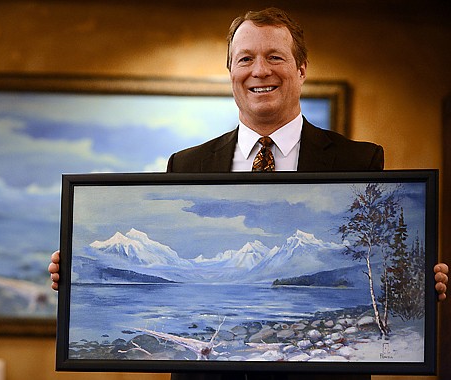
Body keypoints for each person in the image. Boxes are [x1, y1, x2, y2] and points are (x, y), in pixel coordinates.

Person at [49, 7, 448, 380]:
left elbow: (376, 262)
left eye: (275, 57)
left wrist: (415, 282)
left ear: (302, 69)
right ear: (230, 72)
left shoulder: (359, 160)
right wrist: (74, 273)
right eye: (245, 59)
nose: (260, 71)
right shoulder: (186, 165)